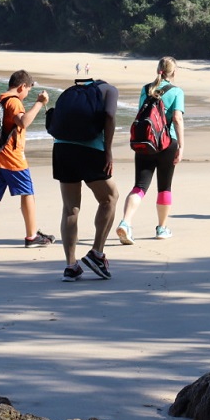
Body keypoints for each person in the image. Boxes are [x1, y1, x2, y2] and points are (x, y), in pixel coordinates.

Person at [0, 70, 56, 251]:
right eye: (28, 90)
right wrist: (39, 103)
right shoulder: (13, 101)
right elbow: (23, 122)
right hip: (11, 158)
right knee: (27, 193)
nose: (27, 93)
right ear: (22, 86)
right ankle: (32, 236)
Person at [53, 76, 120, 281]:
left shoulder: (73, 92)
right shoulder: (110, 89)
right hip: (90, 149)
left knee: (70, 208)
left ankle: (70, 266)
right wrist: (107, 150)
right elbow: (109, 115)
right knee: (110, 197)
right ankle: (97, 253)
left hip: (62, 148)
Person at [117, 57, 186, 243]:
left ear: (158, 70)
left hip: (145, 142)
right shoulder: (177, 92)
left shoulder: (146, 89)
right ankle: (162, 229)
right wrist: (181, 145)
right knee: (164, 187)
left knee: (139, 186)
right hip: (167, 143)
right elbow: (177, 119)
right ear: (174, 72)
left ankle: (125, 222)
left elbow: (142, 114)